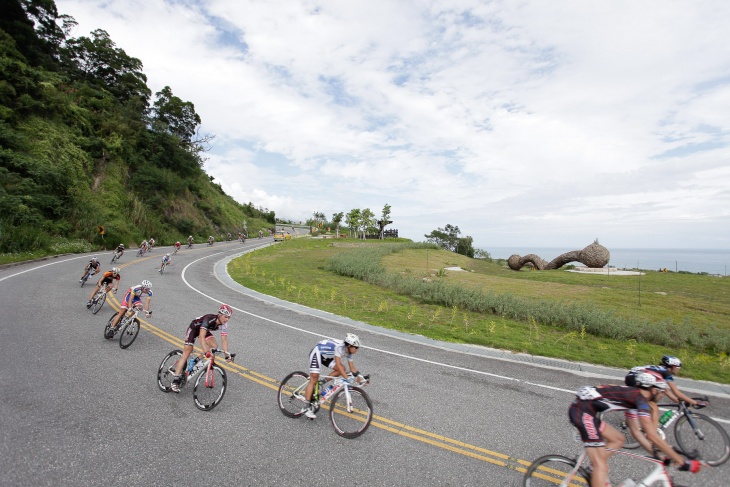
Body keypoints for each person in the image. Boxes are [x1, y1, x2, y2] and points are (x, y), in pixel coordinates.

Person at [568, 373, 701, 487]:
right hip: (582, 413)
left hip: (586, 410)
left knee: (619, 439)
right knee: (601, 466)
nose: (662, 396)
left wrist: (659, 456)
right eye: (661, 392)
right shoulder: (640, 401)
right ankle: (596, 467)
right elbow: (652, 435)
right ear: (654, 390)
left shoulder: (634, 398)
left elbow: (637, 433)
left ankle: (593, 468)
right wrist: (682, 462)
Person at [625, 355, 708, 429]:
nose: (678, 371)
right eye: (678, 368)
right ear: (674, 367)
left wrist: (680, 402)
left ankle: (638, 417)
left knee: (659, 393)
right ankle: (652, 439)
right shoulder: (666, 372)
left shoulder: (661, 370)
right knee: (654, 408)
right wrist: (695, 402)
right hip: (634, 379)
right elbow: (677, 393)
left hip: (633, 377)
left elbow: (667, 391)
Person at [170, 304, 234, 392]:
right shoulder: (209, 319)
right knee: (187, 352)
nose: (226, 320)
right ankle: (175, 381)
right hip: (194, 329)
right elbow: (201, 336)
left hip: (205, 330)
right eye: (225, 317)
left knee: (214, 347)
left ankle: (196, 360)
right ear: (219, 314)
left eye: (228, 318)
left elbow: (224, 340)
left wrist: (227, 355)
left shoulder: (224, 325)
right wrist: (205, 351)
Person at [301, 333, 363, 419]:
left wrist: (361, 378)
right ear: (349, 345)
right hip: (317, 353)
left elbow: (352, 368)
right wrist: (347, 378)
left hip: (326, 356)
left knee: (342, 369)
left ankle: (322, 382)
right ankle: (306, 408)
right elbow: (338, 363)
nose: (357, 349)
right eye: (356, 347)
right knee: (314, 378)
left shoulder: (348, 351)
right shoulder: (339, 347)